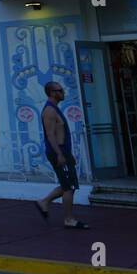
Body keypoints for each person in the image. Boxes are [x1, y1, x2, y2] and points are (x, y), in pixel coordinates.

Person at [35, 82, 87, 228]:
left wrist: (68, 155)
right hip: (58, 152)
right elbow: (50, 135)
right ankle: (69, 219)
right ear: (52, 92)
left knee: (68, 185)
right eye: (60, 90)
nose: (63, 93)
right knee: (69, 187)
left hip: (64, 151)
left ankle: (44, 202)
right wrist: (60, 155)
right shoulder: (49, 111)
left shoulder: (55, 109)